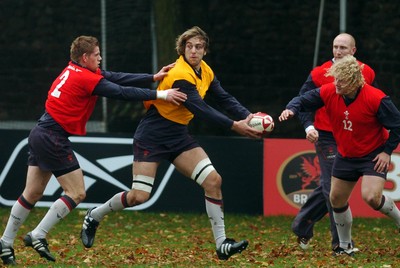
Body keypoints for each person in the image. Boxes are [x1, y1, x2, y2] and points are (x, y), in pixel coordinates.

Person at [0, 35, 187, 265]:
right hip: (52, 137)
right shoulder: (85, 79)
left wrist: (152, 77)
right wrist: (161, 94)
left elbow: (115, 77)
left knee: (32, 193)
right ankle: (38, 234)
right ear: (85, 57)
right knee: (77, 192)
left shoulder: (75, 70)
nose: (100, 58)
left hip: (40, 132)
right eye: (97, 55)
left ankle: (6, 242)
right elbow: (120, 91)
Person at [80, 26, 261, 261]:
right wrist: (236, 125)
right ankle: (95, 214)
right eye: (189, 46)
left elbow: (223, 97)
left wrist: (248, 116)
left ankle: (222, 244)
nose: (193, 51)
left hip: (177, 135)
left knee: (213, 181)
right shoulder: (180, 73)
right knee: (139, 197)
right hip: (152, 135)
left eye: (198, 47)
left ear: (205, 50)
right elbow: (201, 109)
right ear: (183, 48)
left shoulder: (205, 70)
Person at [279, 55, 400, 256]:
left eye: (341, 81)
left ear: (354, 81)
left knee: (371, 197)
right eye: (335, 79)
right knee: (336, 199)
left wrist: (387, 152)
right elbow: (301, 99)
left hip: (372, 155)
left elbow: (397, 125)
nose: (336, 84)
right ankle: (344, 247)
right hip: (346, 155)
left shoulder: (376, 98)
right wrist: (291, 110)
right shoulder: (329, 91)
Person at [291, 33, 377, 253]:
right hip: (326, 136)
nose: (338, 52)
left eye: (343, 48)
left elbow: (369, 101)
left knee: (332, 187)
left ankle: (302, 223)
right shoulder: (319, 73)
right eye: (335, 47)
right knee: (332, 186)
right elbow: (302, 102)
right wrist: (308, 126)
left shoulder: (366, 72)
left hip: (350, 136)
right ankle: (340, 242)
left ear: (353, 51)